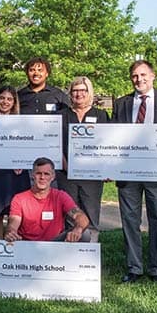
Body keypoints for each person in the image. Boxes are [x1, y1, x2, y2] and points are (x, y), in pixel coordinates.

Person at [112, 59, 157, 283]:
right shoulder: (121, 103)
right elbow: (113, 137)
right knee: (130, 219)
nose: (139, 79)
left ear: (153, 76)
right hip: (128, 171)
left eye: (143, 75)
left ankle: (156, 270)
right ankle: (134, 267)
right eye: (134, 76)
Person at [58, 76, 109, 237]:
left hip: (92, 177)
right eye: (75, 90)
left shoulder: (101, 115)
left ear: (89, 92)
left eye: (83, 90)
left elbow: (108, 144)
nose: (79, 94)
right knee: (69, 216)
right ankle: (70, 257)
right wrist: (65, 164)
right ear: (70, 93)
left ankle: (90, 257)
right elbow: (54, 142)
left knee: (91, 217)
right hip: (66, 174)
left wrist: (106, 168)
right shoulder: (61, 115)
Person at [4, 158, 92, 242]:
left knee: (85, 234)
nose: (42, 177)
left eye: (46, 174)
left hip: (54, 244)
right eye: (38, 173)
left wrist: (78, 229)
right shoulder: (19, 199)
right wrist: (11, 232)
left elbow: (80, 216)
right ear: (32, 175)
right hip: (28, 245)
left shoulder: (61, 196)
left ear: (53, 176)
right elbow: (13, 223)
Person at [0, 85, 29, 239]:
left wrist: (21, 160)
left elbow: (28, 144)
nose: (5, 102)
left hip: (17, 172)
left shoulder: (22, 122)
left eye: (9, 99)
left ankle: (14, 243)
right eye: (2, 98)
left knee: (17, 212)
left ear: (14, 102)